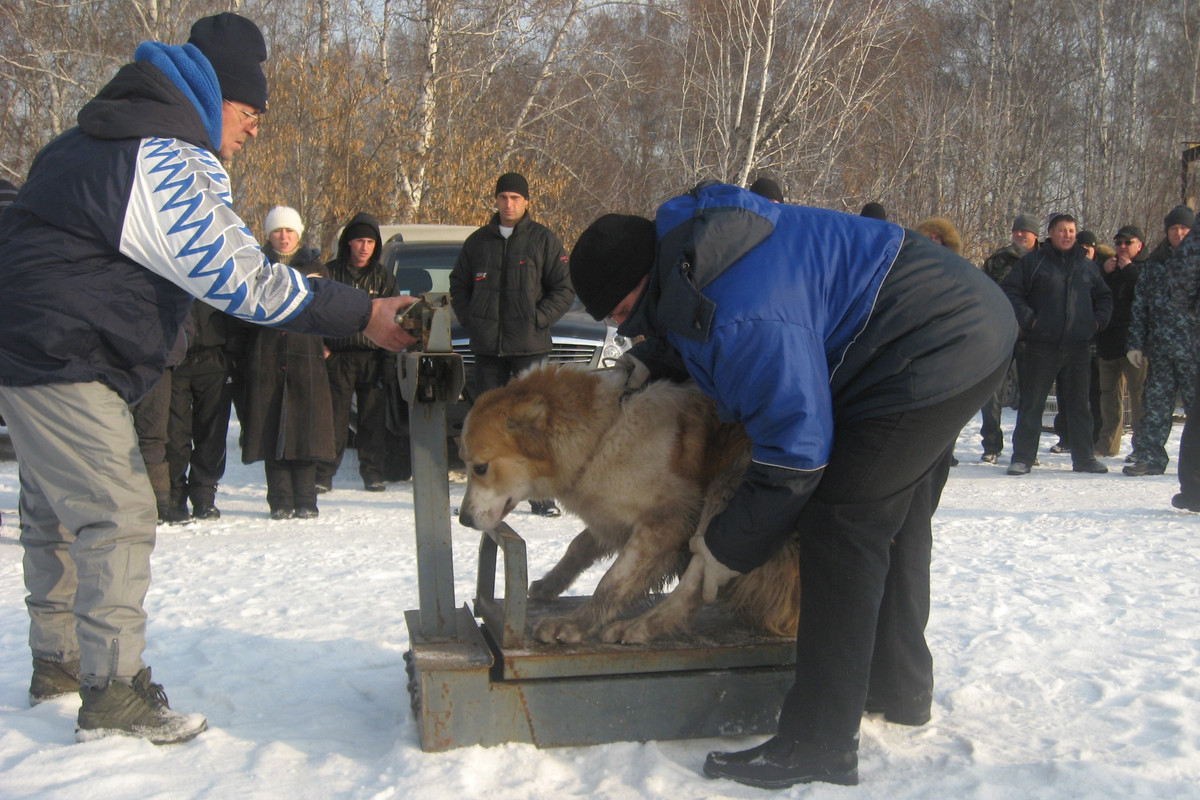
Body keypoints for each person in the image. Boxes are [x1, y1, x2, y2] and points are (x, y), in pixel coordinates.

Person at [0, 13, 416, 744]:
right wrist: (364, 312)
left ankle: (61, 666)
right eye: (251, 111)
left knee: (57, 510)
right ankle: (113, 692)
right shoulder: (161, 156)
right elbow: (245, 281)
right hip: (65, 354)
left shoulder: (89, 140)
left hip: (33, 347)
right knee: (119, 511)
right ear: (214, 94)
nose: (254, 129)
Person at [568, 182, 1017, 788]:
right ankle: (895, 684)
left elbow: (796, 455)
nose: (624, 328)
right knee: (894, 509)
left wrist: (726, 546)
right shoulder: (697, 253)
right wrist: (658, 356)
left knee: (845, 521)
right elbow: (697, 323)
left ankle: (819, 742)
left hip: (937, 340)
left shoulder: (742, 309)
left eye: (622, 314)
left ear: (643, 281)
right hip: (946, 319)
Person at [449, 171, 574, 517]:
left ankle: (541, 496)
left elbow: (564, 288)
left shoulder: (543, 240)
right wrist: (472, 317)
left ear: (526, 202)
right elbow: (458, 285)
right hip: (488, 350)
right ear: (496, 201)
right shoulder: (478, 243)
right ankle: (487, 489)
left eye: (515, 198)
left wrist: (539, 318)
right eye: (503, 197)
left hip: (530, 348)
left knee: (533, 425)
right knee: (488, 424)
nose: (508, 204)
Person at [241, 206, 336, 518]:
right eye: (277, 231)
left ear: (299, 234)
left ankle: (306, 501)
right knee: (272, 431)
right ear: (268, 234)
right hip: (266, 357)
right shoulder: (255, 266)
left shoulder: (315, 268)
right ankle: (280, 501)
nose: (283, 237)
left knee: (306, 431)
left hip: (306, 357)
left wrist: (328, 344)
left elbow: (330, 309)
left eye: (289, 231)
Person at [1001, 213, 1112, 475]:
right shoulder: (1034, 263)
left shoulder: (1086, 266)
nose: (1067, 235)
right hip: (1042, 345)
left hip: (1077, 346)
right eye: (1062, 230)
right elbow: (1011, 291)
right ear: (1050, 233)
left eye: (1072, 231)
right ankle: (1023, 458)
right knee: (1033, 403)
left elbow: (1104, 297)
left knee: (1078, 405)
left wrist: (1096, 323)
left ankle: (1084, 458)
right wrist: (1031, 320)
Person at [315, 213, 397, 494]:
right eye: (360, 241)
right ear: (348, 243)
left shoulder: (384, 278)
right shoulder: (329, 273)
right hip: (337, 356)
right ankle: (324, 474)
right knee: (333, 420)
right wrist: (321, 348)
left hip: (372, 357)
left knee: (372, 420)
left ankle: (372, 473)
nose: (364, 247)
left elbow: (395, 321)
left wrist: (388, 360)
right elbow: (312, 313)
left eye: (370, 242)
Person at [1125, 206, 1196, 476]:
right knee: (1155, 407)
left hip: (1194, 353)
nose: (1179, 233)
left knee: (1197, 410)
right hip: (1161, 351)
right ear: (1166, 232)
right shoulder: (1154, 266)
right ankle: (1149, 457)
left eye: (1184, 228)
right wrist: (1135, 343)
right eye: (1174, 228)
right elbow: (1140, 306)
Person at [977, 213, 1040, 463]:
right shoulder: (998, 260)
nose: (1020, 235)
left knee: (1031, 395)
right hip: (1000, 335)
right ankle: (991, 444)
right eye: (1016, 231)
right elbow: (982, 292)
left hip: (1035, 337)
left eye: (1025, 231)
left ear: (1035, 235)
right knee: (990, 391)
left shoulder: (1045, 260)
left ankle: (1025, 448)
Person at [167, 301, 235, 519]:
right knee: (175, 433)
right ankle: (174, 495)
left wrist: (232, 352)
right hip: (175, 360)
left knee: (212, 432)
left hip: (215, 358)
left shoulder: (216, 269)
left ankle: (204, 495)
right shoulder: (167, 269)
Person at [1095, 225, 1149, 460]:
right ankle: (1107, 445)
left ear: (1140, 245)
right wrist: (1103, 273)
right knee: (1108, 397)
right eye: (1119, 243)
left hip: (1136, 344)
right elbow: (1092, 296)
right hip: (1109, 343)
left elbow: (1149, 295)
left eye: (1128, 243)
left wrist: (1130, 272)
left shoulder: (1148, 268)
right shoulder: (1109, 269)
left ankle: (1142, 447)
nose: (1123, 247)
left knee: (1139, 398)